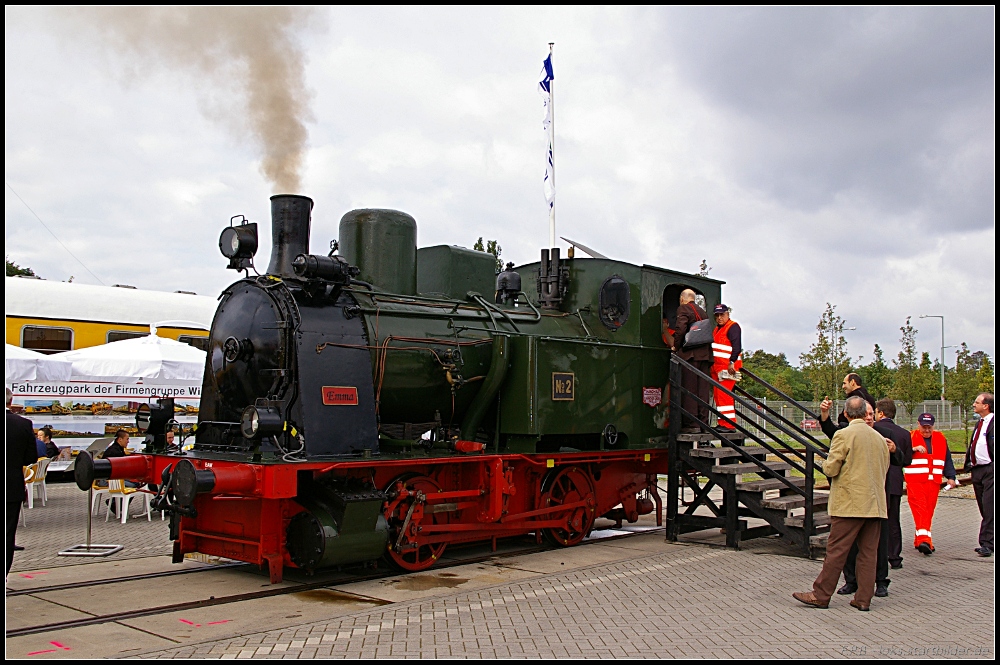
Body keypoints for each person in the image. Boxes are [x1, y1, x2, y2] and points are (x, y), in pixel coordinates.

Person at [793, 396, 890, 611]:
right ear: (866, 413)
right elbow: (884, 468)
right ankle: (863, 598)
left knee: (836, 551)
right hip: (875, 504)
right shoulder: (878, 438)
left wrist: (827, 463)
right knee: (868, 553)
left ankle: (821, 594)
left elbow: (831, 469)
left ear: (846, 414)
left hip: (850, 504)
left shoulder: (843, 435)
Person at [837, 398, 912, 598]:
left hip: (879, 495)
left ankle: (881, 582)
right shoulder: (849, 434)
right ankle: (851, 580)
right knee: (852, 543)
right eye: (866, 414)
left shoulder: (885, 434)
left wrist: (895, 450)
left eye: (872, 414)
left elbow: (903, 460)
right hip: (854, 496)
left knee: (878, 542)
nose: (869, 418)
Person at [905, 413, 957, 555]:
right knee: (920, 510)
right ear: (918, 424)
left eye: (929, 427)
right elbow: (900, 455)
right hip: (915, 482)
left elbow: (947, 459)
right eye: (924, 427)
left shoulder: (940, 438)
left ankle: (919, 540)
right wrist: (913, 449)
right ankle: (925, 541)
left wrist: (951, 476)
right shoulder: (909, 437)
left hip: (933, 482)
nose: (927, 430)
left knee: (928, 512)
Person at [7, 389, 39, 575]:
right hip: (11, 485)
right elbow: (30, 457)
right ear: (11, 402)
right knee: (8, 532)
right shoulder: (23, 424)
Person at [672, 289, 712, 433]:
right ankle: (704, 423)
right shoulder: (702, 311)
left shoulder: (683, 309)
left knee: (690, 390)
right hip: (705, 356)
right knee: (702, 391)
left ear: (683, 299)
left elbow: (680, 329)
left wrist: (675, 346)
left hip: (690, 355)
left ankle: (692, 424)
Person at [964, 393, 993, 557]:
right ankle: (991, 538)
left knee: (989, 506)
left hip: (990, 469)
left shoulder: (993, 423)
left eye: (976, 402)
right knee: (984, 506)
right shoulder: (979, 423)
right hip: (977, 470)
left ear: (986, 405)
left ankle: (987, 543)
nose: (974, 405)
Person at [710, 304, 742, 430]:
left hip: (727, 368)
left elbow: (736, 346)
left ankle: (729, 424)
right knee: (718, 396)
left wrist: (732, 362)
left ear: (727, 314)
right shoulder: (717, 329)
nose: (719, 318)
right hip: (718, 368)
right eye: (717, 315)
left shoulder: (733, 327)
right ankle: (723, 423)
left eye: (722, 315)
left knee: (724, 395)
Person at [819, 373, 877, 440]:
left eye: (844, 383)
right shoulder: (870, 398)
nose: (843, 386)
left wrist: (824, 412)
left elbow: (833, 432)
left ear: (852, 382)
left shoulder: (854, 399)